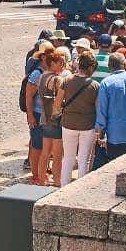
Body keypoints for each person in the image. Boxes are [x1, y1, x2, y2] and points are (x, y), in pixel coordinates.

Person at [57, 53, 102, 187]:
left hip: (68, 123)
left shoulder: (66, 81)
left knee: (68, 158)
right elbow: (98, 108)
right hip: (87, 126)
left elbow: (57, 103)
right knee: (84, 160)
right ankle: (79, 188)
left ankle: (64, 186)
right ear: (92, 67)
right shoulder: (95, 85)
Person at [36, 47, 71, 186]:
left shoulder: (43, 75)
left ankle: (41, 180)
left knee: (45, 152)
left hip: (45, 116)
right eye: (60, 62)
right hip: (55, 118)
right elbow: (61, 100)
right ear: (53, 63)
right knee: (57, 155)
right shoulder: (57, 79)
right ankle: (57, 182)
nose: (62, 65)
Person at [22, 42, 55, 185]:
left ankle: (42, 172)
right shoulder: (37, 74)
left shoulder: (49, 71)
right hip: (37, 114)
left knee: (46, 146)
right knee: (37, 146)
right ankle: (35, 175)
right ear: (42, 57)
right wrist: (30, 116)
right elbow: (28, 96)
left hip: (46, 115)